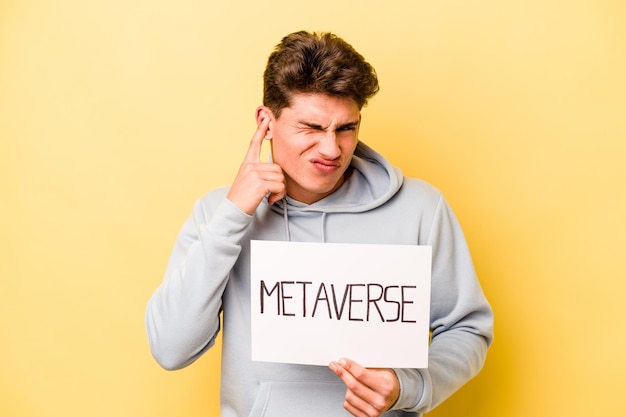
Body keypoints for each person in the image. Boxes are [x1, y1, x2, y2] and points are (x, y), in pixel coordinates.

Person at [146, 30, 493, 417]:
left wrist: (408, 386)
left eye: (346, 128)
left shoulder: (420, 209)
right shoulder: (218, 214)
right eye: (311, 128)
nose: (332, 150)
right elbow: (170, 348)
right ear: (266, 121)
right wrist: (234, 215)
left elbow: (467, 329)